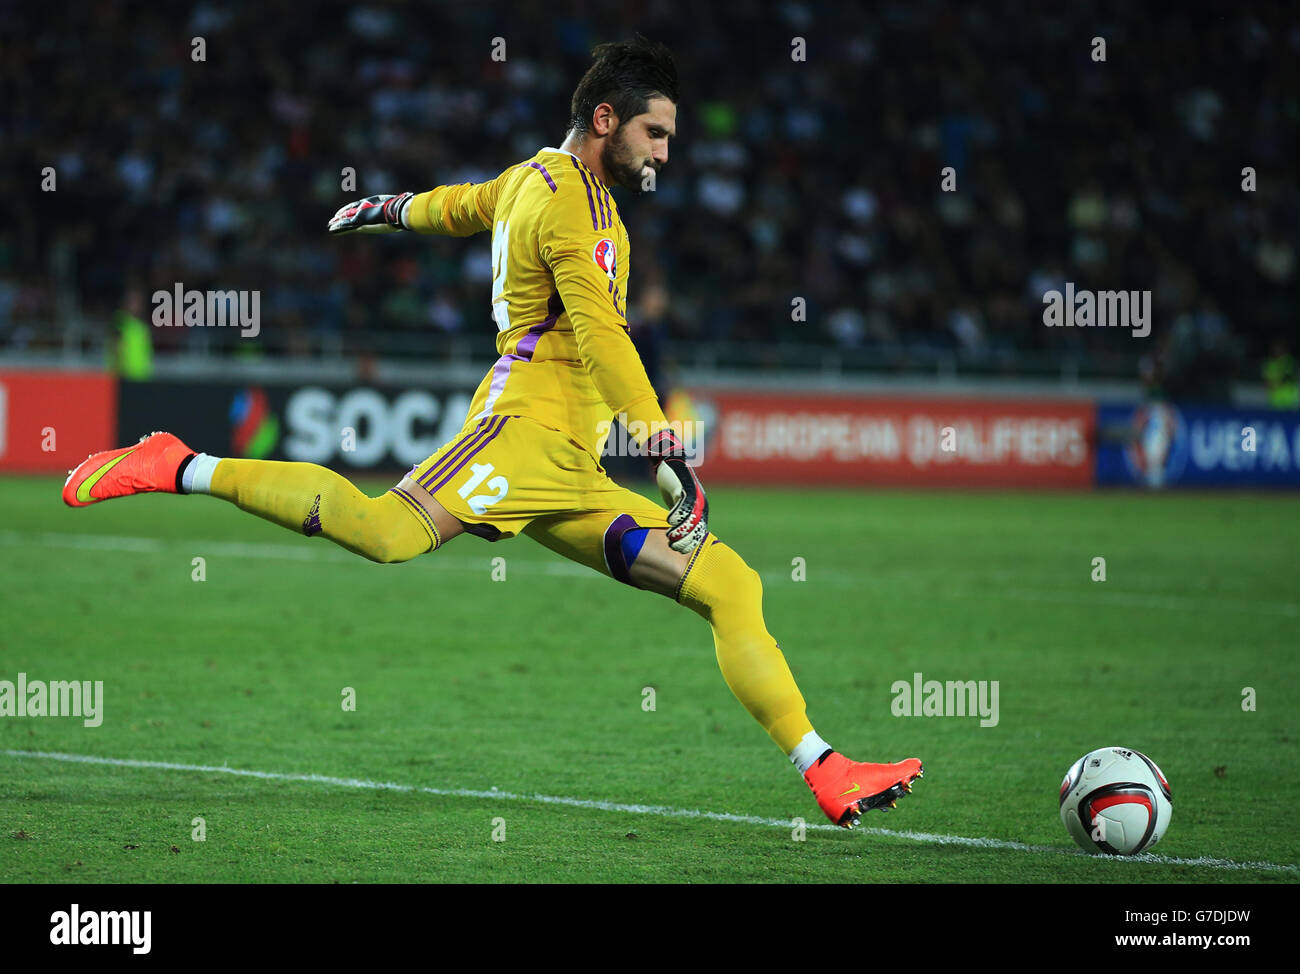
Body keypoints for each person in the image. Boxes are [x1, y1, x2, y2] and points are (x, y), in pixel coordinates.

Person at [62, 36, 921, 828]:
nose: (666, 155)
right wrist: (668, 458)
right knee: (383, 533)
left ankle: (825, 767)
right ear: (605, 119)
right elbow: (603, 336)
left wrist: (386, 208)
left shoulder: (528, 179)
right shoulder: (577, 208)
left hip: (573, 468)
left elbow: (457, 206)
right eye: (656, 134)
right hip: (518, 436)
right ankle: (179, 463)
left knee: (729, 585)